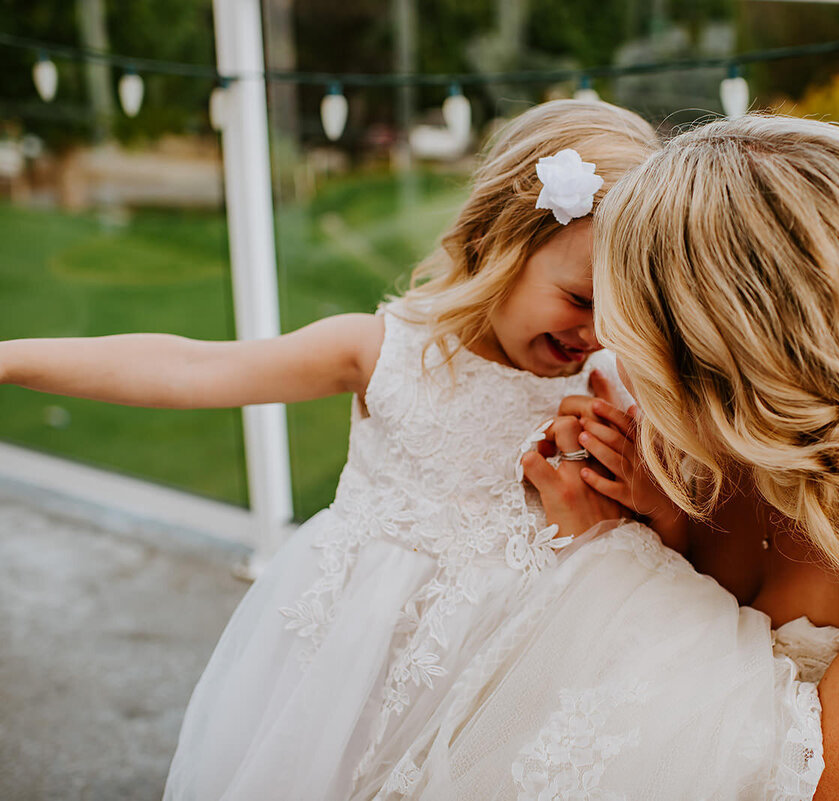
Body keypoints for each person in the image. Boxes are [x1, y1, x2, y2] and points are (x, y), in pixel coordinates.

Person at [386, 115, 839, 799]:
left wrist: (606, 554)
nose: (603, 338)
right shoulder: (695, 434)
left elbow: (826, 789)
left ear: (725, 359)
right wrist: (662, 522)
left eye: (627, 322)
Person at [0, 99, 657, 800]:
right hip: (355, 669)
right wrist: (11, 358)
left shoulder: (606, 386)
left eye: (622, 313)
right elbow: (189, 367)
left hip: (505, 681)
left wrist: (621, 493)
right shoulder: (386, 351)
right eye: (581, 299)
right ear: (502, 242)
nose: (597, 333)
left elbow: (649, 537)